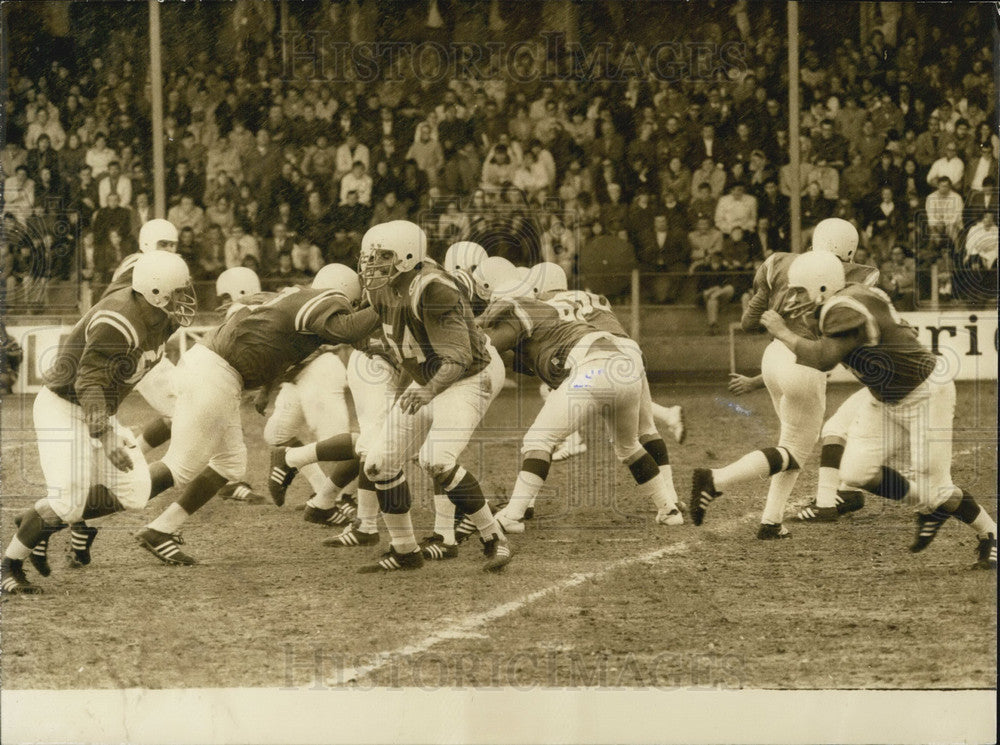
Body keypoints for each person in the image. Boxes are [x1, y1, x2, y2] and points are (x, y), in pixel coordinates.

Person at [271, 221, 512, 572]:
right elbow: (367, 334)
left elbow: (458, 357)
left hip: (467, 378)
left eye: (383, 256)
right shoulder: (383, 290)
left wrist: (426, 390)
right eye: (370, 256)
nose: (372, 264)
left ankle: (494, 537)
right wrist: (300, 318)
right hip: (426, 380)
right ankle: (405, 550)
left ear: (409, 257)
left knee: (436, 459)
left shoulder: (433, 290)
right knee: (378, 464)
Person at [760, 251, 996, 570]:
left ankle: (990, 534)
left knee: (938, 488)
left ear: (823, 286)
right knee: (857, 472)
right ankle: (933, 506)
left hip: (926, 392)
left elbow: (824, 358)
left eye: (800, 289)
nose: (793, 297)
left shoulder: (845, 307)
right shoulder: (834, 304)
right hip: (884, 398)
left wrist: (783, 332)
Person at [133, 263, 380, 565]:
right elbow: (349, 329)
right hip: (217, 374)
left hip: (216, 370)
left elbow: (274, 345)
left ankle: (161, 529)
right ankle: (82, 509)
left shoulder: (293, 299)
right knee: (180, 467)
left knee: (230, 464)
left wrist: (266, 389)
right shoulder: (328, 299)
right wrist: (385, 302)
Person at [2, 252, 196, 595]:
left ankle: (35, 518)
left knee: (135, 491)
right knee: (69, 502)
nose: (185, 297)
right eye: (179, 291)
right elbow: (88, 382)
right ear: (155, 292)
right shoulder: (118, 319)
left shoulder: (161, 316)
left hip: (97, 409)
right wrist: (105, 437)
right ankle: (9, 565)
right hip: (63, 406)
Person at [693, 218, 876, 538]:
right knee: (792, 452)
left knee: (791, 445)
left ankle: (771, 522)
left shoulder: (777, 261)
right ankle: (715, 479)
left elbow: (749, 322)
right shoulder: (858, 277)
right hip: (805, 364)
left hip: (773, 358)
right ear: (849, 250)